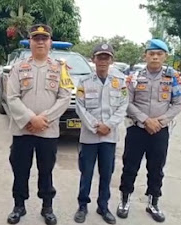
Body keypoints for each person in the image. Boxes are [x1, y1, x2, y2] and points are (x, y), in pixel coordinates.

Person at [6, 24, 73, 225]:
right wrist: (30, 118)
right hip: (22, 130)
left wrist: (44, 118)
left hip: (48, 130)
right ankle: (19, 206)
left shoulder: (60, 68)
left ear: (50, 42)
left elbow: (65, 96)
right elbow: (11, 97)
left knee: (46, 170)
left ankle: (47, 207)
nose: (41, 42)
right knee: (20, 170)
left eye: (44, 39)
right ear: (30, 42)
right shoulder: (19, 67)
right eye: (36, 38)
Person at [116, 39, 181, 223]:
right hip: (137, 129)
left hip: (159, 131)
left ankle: (153, 203)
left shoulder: (174, 77)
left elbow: (178, 103)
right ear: (145, 55)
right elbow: (126, 102)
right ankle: (124, 200)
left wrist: (160, 122)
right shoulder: (133, 77)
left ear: (165, 56)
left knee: (156, 168)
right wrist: (145, 120)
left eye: (159, 54)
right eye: (151, 53)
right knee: (130, 166)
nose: (155, 57)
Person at [73, 43, 128, 224]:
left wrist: (109, 125)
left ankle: (103, 206)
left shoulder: (120, 82)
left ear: (111, 60)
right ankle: (82, 205)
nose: (103, 61)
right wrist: (96, 126)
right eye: (99, 57)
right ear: (93, 59)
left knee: (106, 173)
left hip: (109, 137)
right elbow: (80, 107)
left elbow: (123, 106)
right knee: (86, 172)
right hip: (90, 136)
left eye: (106, 57)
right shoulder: (84, 82)